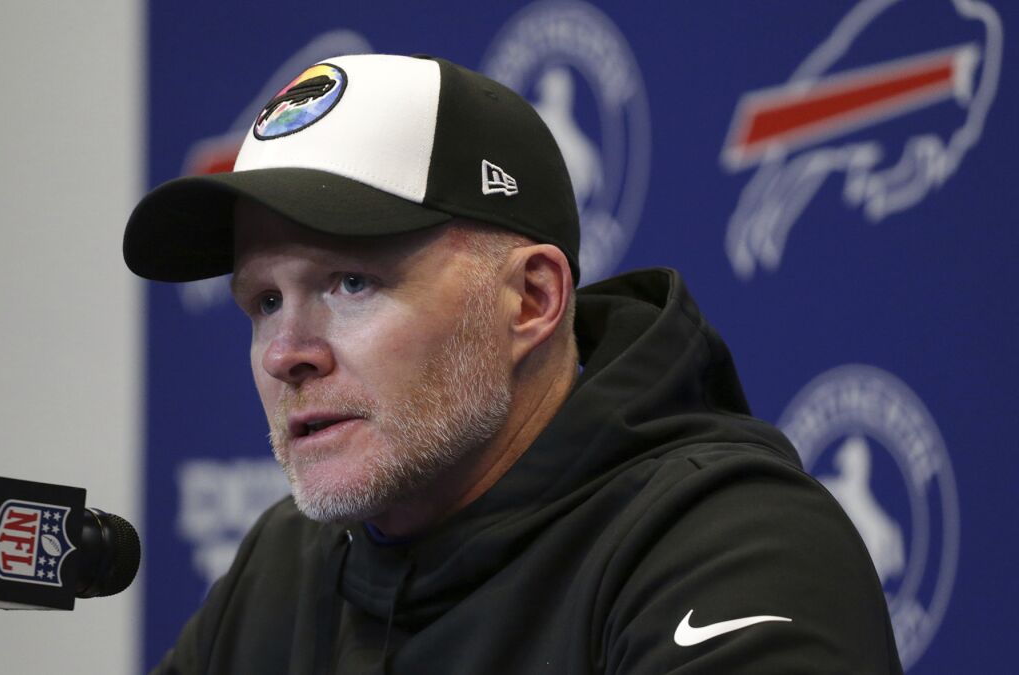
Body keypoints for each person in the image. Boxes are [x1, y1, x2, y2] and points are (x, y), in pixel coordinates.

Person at [125, 54, 902, 674]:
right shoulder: (285, 565)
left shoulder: (730, 545)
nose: (289, 352)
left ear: (530, 300)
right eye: (263, 302)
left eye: (350, 282)